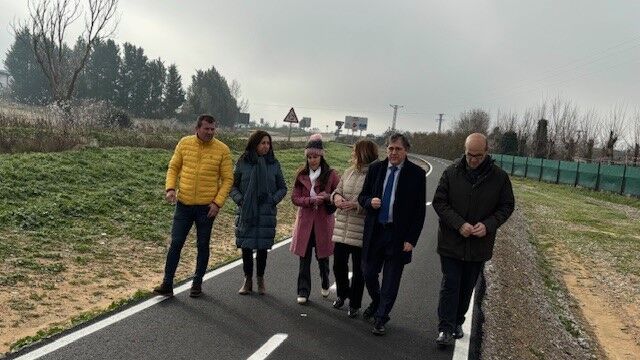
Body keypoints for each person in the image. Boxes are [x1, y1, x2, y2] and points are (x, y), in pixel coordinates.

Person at [432, 133, 514, 347]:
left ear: (487, 152)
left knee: (467, 286)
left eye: (478, 155)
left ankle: (458, 321)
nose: (473, 159)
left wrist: (488, 225)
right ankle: (445, 328)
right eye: (469, 155)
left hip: (479, 245)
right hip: (451, 241)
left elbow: (506, 206)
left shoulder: (499, 177)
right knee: (450, 283)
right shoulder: (451, 172)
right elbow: (440, 203)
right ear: (464, 150)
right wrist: (459, 224)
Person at [153, 114, 234, 298]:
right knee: (176, 243)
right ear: (197, 128)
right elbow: (173, 167)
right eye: (206, 128)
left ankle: (197, 283)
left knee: (202, 244)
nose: (210, 132)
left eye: (213, 129)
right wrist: (170, 188)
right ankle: (167, 283)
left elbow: (228, 179)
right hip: (184, 204)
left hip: (207, 208)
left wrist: (217, 203)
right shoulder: (184, 143)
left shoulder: (222, 150)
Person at [358, 133, 426, 336]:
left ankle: (381, 318)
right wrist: (370, 201)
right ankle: (378, 302)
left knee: (391, 279)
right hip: (376, 231)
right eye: (390, 149)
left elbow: (419, 211)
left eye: (398, 149)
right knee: (368, 272)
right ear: (386, 149)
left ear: (406, 151)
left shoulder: (416, 174)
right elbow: (362, 196)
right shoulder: (375, 169)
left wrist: (411, 240)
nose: (393, 153)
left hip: (398, 235)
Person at [230, 130, 287, 295]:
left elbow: (282, 187)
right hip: (246, 211)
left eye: (268, 143)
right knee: (246, 247)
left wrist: (272, 200)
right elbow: (232, 186)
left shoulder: (274, 164)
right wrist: (240, 200)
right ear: (254, 144)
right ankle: (247, 280)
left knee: (262, 248)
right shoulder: (242, 162)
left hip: (266, 212)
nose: (266, 146)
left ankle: (260, 279)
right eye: (263, 143)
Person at [330, 139, 379, 318]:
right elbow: (337, 189)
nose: (352, 154)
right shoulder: (349, 172)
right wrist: (335, 198)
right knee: (338, 266)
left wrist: (357, 206)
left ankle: (355, 304)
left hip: (361, 231)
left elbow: (375, 201)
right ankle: (343, 294)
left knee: (359, 271)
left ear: (363, 153)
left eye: (355, 151)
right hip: (342, 227)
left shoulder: (375, 175)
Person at [290, 134, 340, 305]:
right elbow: (295, 198)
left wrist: (327, 197)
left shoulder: (332, 175)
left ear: (321, 156)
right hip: (305, 223)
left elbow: (338, 195)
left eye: (315, 156)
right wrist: (311, 200)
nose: (312, 160)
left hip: (323, 223)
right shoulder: (301, 175)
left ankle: (325, 281)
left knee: (323, 257)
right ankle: (303, 291)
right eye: (309, 157)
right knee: (304, 259)